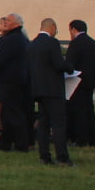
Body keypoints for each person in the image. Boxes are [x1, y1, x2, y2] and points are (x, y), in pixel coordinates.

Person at [28, 18, 72, 167]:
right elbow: (58, 64)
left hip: (38, 89)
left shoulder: (32, 44)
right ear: (52, 27)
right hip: (53, 89)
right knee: (58, 124)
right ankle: (62, 157)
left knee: (43, 124)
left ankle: (44, 156)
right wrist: (70, 67)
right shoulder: (52, 43)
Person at [0, 14, 32, 153]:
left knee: (14, 113)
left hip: (10, 82)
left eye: (8, 20)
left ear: (17, 24)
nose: (5, 22)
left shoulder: (12, 40)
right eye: (4, 20)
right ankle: (5, 144)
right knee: (8, 113)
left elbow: (1, 59)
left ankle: (21, 145)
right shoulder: (19, 38)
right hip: (17, 81)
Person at [66, 20, 95, 148]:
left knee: (78, 111)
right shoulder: (94, 44)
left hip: (77, 82)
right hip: (91, 81)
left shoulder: (75, 44)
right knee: (89, 110)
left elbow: (70, 64)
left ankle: (81, 139)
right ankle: (93, 139)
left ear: (73, 29)